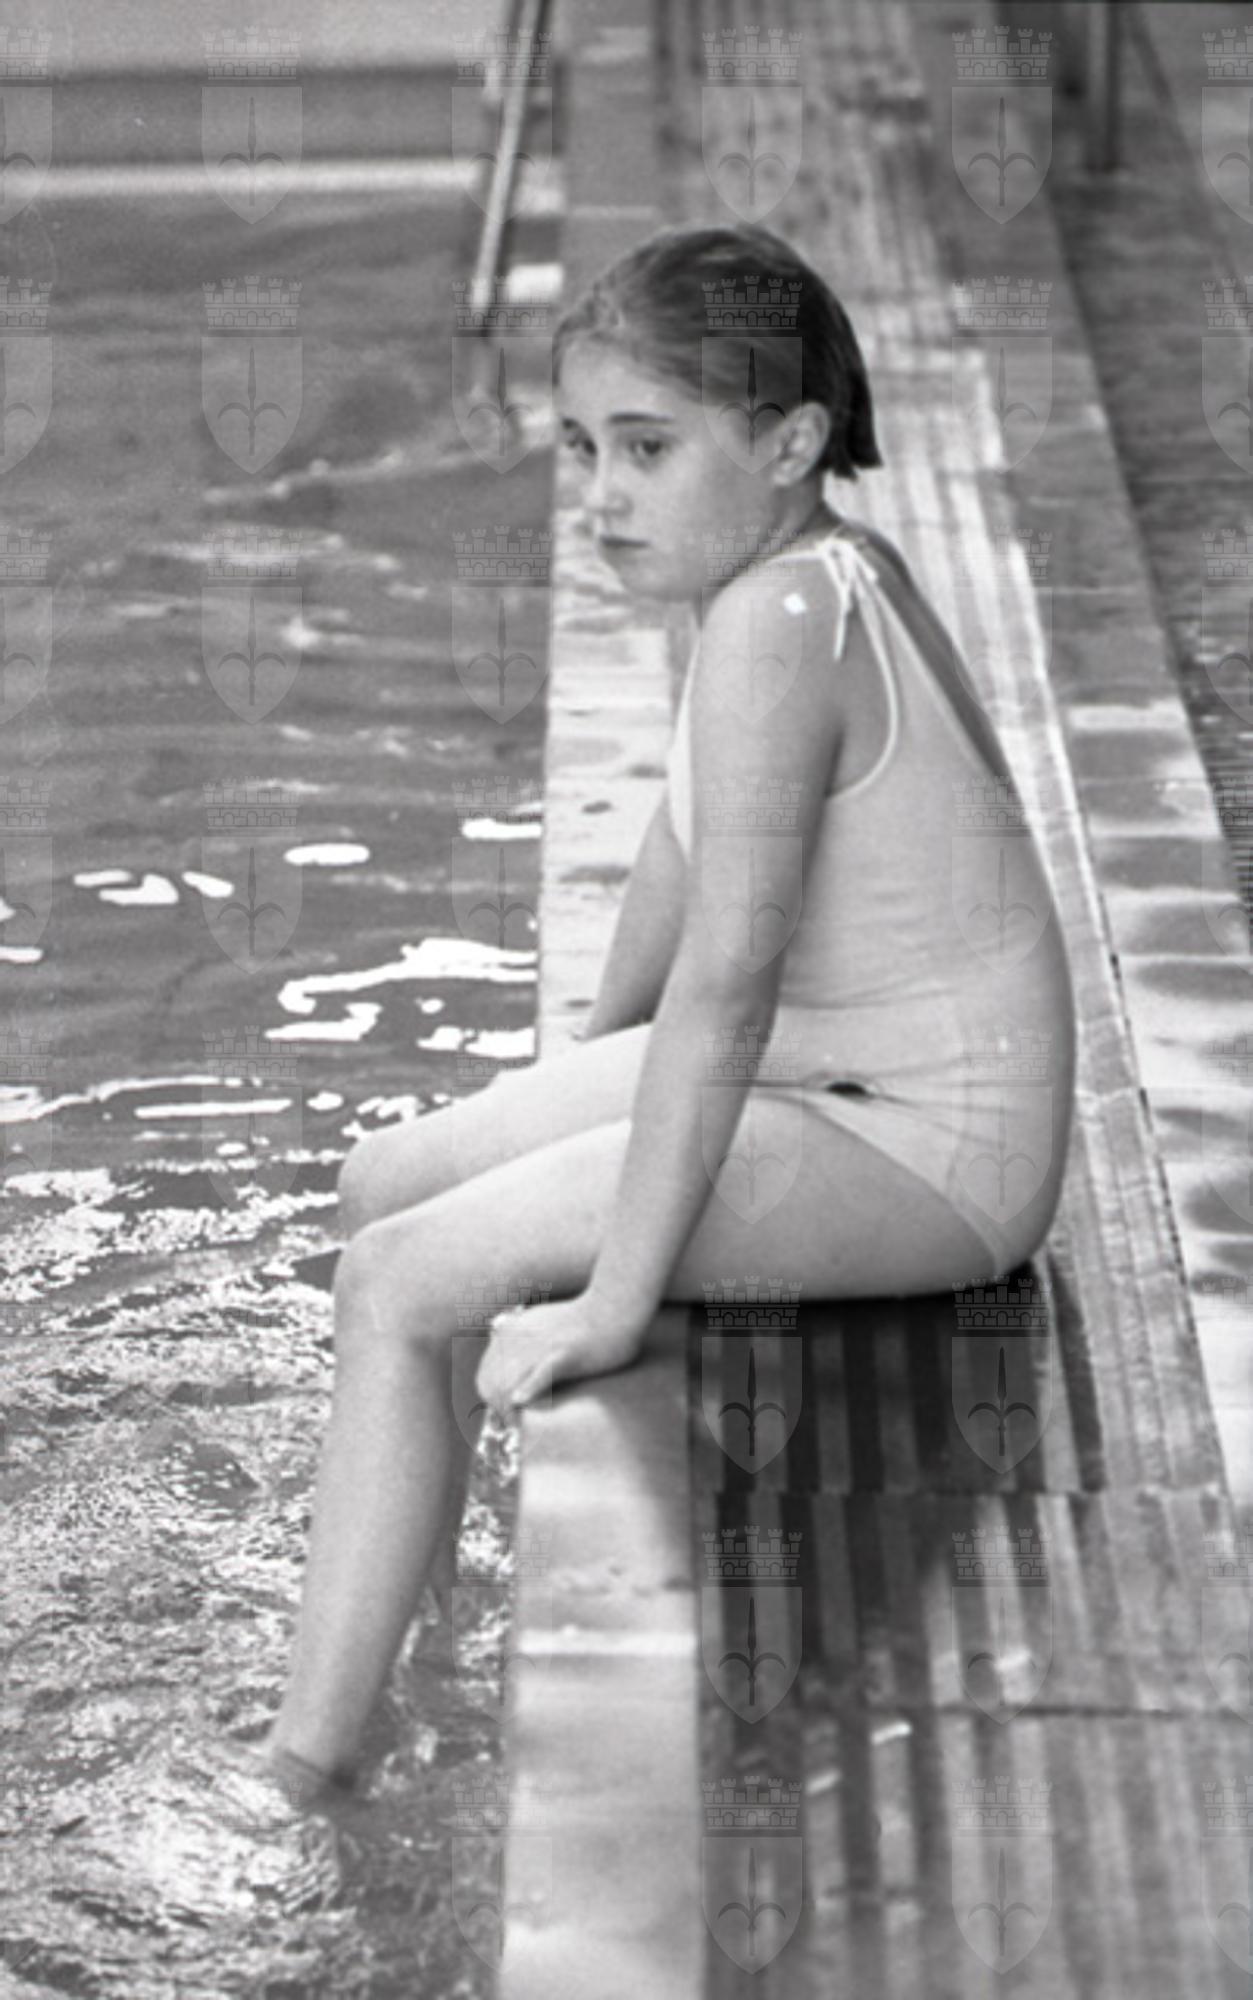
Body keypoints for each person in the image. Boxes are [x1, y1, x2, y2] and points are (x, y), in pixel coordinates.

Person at [251, 221, 1077, 1806]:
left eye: (646, 448)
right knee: (385, 1180)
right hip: (828, 1079)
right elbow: (680, 849)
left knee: (398, 1277)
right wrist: (584, 1067)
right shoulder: (773, 574)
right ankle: (412, 1620)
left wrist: (611, 1298)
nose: (602, 496)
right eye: (582, 449)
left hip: (931, 1152)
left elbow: (731, 979)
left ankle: (305, 1774)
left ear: (789, 441)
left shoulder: (782, 623)